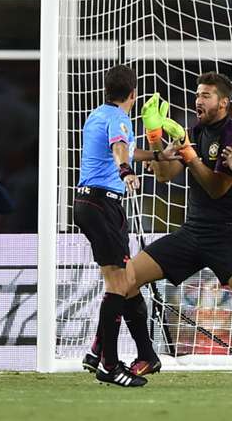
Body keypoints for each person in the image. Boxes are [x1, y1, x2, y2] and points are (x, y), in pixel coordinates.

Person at [81, 71, 232, 388]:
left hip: (228, 236)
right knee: (127, 278)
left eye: (206, 95)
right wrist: (155, 136)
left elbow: (216, 188)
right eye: (197, 94)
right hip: (192, 232)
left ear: (224, 102)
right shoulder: (194, 131)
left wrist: (190, 155)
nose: (198, 100)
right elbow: (164, 175)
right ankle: (142, 354)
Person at [74, 65, 180, 387]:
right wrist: (124, 171)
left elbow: (130, 149)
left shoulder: (99, 115)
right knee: (120, 283)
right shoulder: (119, 119)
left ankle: (98, 352)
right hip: (104, 203)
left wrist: (159, 156)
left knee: (123, 280)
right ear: (133, 94)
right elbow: (120, 148)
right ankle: (108, 363)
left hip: (88, 204)